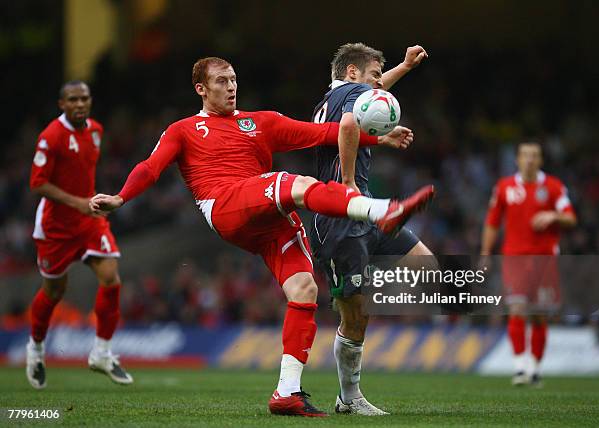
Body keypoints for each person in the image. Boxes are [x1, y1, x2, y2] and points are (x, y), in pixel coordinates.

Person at [89, 57, 434, 417]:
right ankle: (381, 210)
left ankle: (287, 392)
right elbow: (150, 167)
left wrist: (378, 136)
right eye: (221, 81)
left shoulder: (262, 122)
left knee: (305, 289)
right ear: (201, 89)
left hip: (265, 216)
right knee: (296, 183)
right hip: (224, 204)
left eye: (234, 79)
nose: (231, 87)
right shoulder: (183, 130)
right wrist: (120, 197)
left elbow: (324, 133)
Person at [311, 43, 436, 415]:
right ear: (352, 73)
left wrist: (403, 67)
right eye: (373, 76)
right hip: (339, 219)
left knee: (423, 269)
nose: (377, 86)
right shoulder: (353, 96)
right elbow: (350, 123)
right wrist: (348, 181)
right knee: (355, 319)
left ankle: (362, 287)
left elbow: (359, 110)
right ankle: (349, 399)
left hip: (366, 215)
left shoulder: (334, 97)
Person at [27, 81, 133, 389]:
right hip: (55, 228)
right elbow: (37, 183)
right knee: (54, 292)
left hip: (89, 221)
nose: (79, 104)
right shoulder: (50, 137)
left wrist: (88, 205)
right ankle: (35, 348)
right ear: (62, 104)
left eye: (84, 98)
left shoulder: (96, 131)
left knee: (112, 278)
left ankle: (101, 352)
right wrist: (78, 203)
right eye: (72, 99)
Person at [481, 142, 577, 386]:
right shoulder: (504, 187)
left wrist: (553, 216)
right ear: (517, 159)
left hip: (544, 258)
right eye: (525, 155)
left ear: (541, 160)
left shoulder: (554, 187)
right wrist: (485, 252)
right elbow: (492, 222)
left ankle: (534, 367)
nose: (530, 160)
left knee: (538, 316)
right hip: (514, 257)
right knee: (517, 308)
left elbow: (570, 217)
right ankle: (520, 367)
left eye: (534, 155)